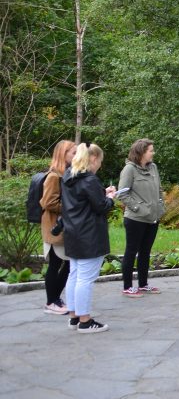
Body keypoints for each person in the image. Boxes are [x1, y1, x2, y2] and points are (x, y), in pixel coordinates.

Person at [62, 143, 116, 333]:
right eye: (100, 161)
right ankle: (85, 320)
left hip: (73, 232)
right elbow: (101, 207)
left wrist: (102, 193)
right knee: (85, 279)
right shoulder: (90, 180)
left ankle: (74, 316)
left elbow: (82, 200)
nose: (100, 165)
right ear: (93, 159)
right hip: (89, 234)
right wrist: (111, 198)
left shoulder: (69, 176)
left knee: (74, 275)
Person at [118, 139, 166, 297]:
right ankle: (127, 287)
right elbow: (122, 194)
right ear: (141, 152)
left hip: (153, 218)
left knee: (146, 251)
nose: (153, 153)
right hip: (135, 219)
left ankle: (143, 284)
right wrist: (138, 208)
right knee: (131, 251)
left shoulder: (153, 168)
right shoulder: (129, 169)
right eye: (150, 150)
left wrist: (160, 207)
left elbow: (159, 189)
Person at [40, 140, 76, 315]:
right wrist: (72, 206)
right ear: (63, 154)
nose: (76, 156)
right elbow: (47, 202)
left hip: (64, 226)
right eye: (73, 153)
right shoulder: (54, 176)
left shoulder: (66, 174)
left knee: (68, 264)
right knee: (56, 264)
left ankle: (56, 298)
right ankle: (51, 301)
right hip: (54, 226)